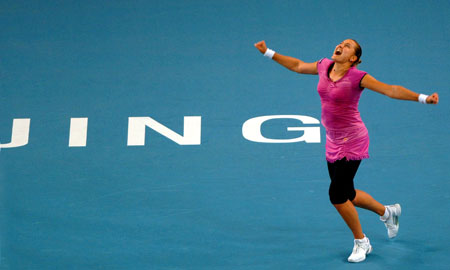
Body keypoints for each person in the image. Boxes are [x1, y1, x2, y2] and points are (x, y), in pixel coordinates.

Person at [254, 39, 439, 263]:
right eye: (341, 42)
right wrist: (268, 52)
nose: (341, 45)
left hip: (353, 141)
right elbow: (298, 66)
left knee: (337, 196)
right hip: (332, 140)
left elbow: (390, 90)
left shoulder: (358, 77)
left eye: (348, 45)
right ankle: (388, 213)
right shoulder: (323, 65)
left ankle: (362, 242)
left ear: (353, 58)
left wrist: (422, 98)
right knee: (348, 193)